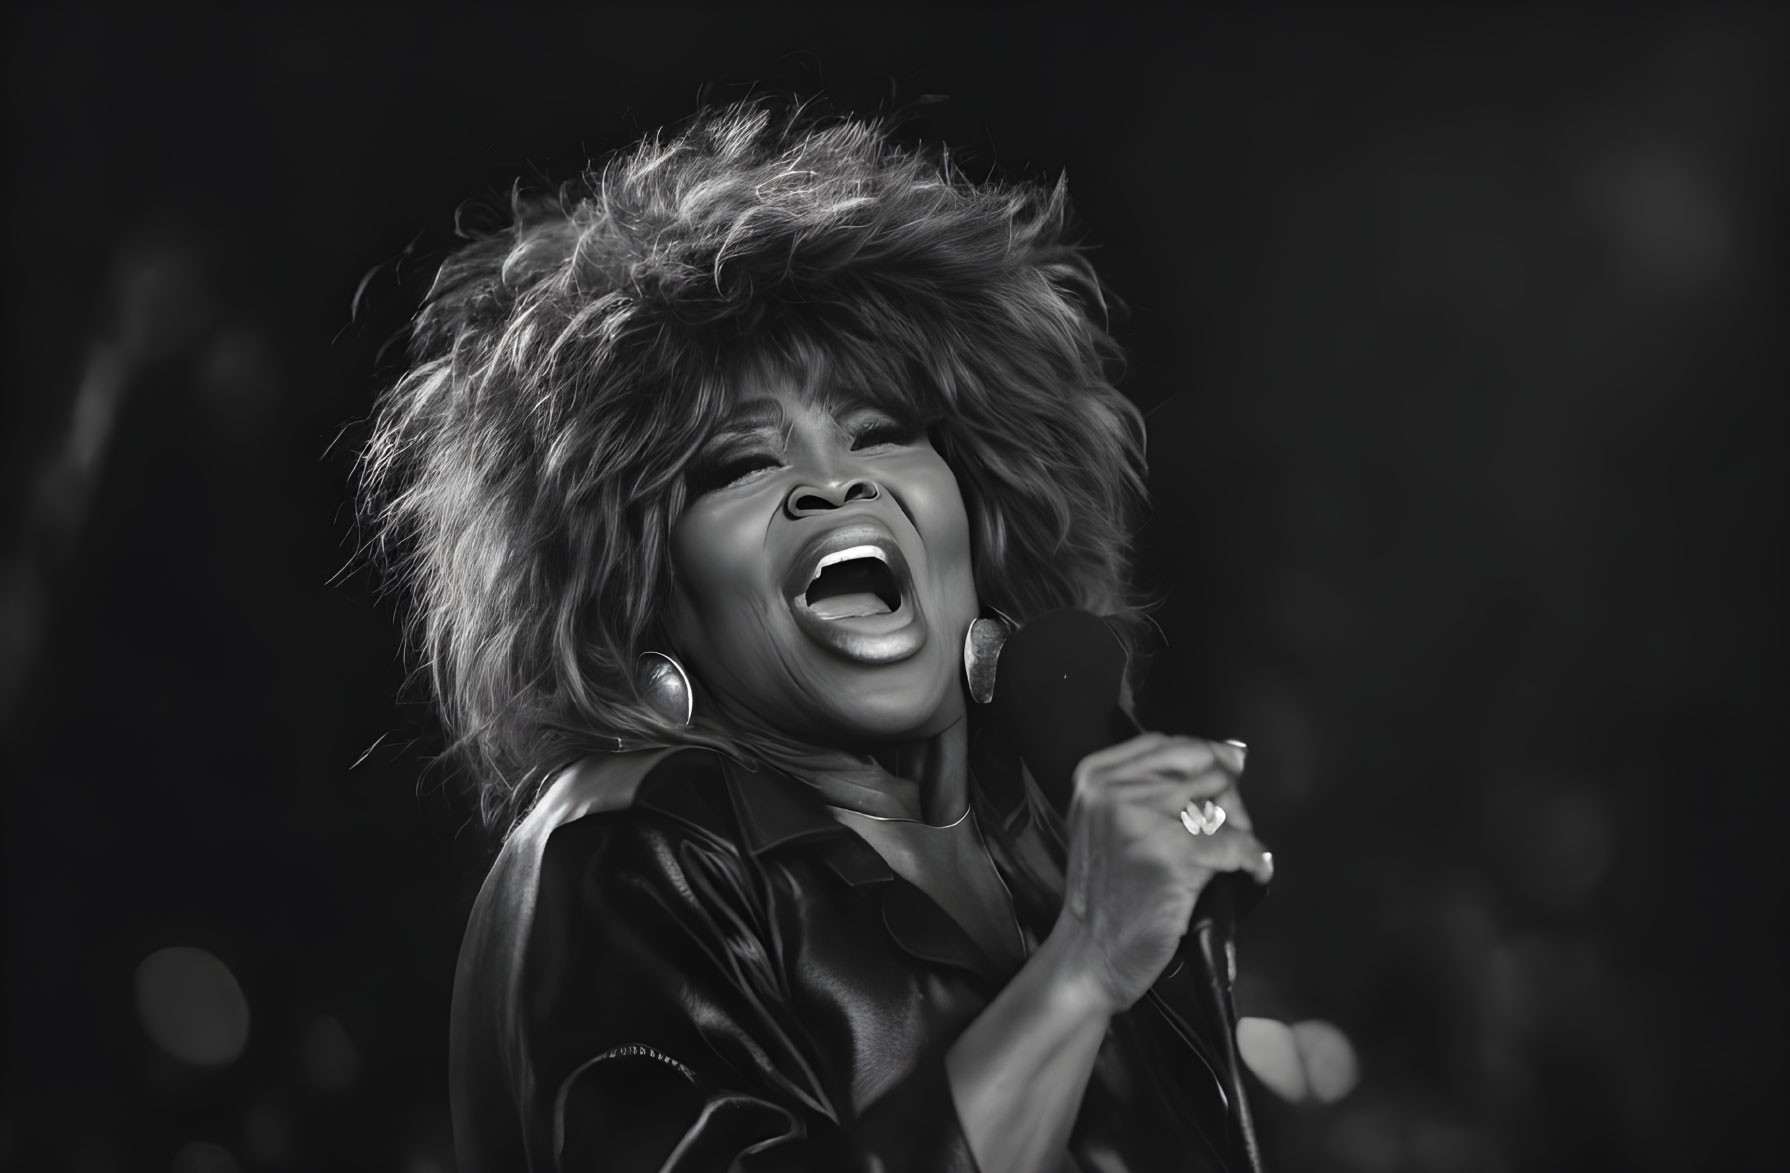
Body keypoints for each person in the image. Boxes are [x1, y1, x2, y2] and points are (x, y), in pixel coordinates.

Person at [360, 99, 1275, 1172]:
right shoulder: (621, 851)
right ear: (642, 598)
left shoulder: (1042, 867)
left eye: (881, 433)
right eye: (741, 465)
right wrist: (1081, 969)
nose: (831, 484)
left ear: (977, 525)